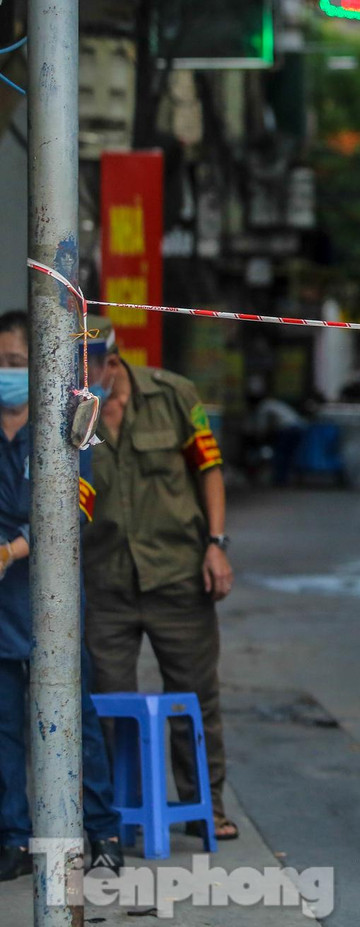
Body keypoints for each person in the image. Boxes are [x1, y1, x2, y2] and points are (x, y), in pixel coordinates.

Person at [82, 317, 239, 841]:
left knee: (195, 701)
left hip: (177, 574)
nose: (84, 373)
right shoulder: (72, 407)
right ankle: (109, 819)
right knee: (104, 702)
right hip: (104, 581)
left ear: (113, 357)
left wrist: (215, 546)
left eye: (92, 361)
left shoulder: (174, 394)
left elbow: (209, 469)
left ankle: (204, 809)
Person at [0, 310, 123, 880]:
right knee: (4, 726)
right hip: (2, 608)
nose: (7, 373)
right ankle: (14, 837)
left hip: (51, 603)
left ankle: (101, 830)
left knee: (75, 717)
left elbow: (75, 505)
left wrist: (11, 549)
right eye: (0, 363)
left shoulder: (70, 421)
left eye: (18, 363)